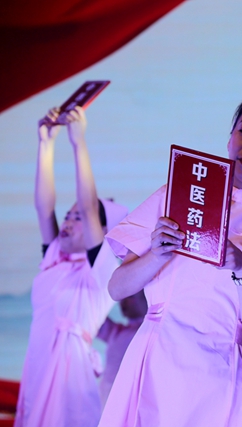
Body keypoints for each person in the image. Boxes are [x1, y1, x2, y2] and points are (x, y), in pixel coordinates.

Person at [98, 93, 242, 427]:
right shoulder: (175, 195)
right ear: (230, 138)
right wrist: (157, 253)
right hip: (154, 360)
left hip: (220, 376)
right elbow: (117, 288)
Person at [15, 106, 128, 427]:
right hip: (38, 366)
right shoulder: (54, 260)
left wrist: (78, 143)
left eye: (78, 218)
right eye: (68, 214)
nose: (67, 221)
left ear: (102, 231)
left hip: (68, 374)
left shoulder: (102, 270)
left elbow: (90, 207)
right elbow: (44, 207)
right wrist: (46, 144)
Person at [96, 290, 148, 408]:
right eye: (123, 299)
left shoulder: (151, 334)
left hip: (131, 404)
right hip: (106, 402)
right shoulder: (116, 332)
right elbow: (93, 317)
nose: (124, 303)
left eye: (131, 298)